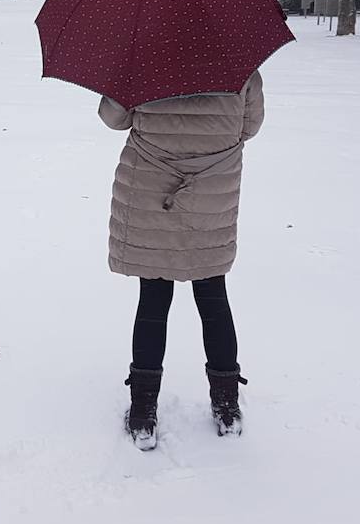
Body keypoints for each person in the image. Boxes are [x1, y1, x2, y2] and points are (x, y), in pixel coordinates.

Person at [99, 71, 266, 449]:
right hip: (210, 197)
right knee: (213, 299)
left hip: (152, 195)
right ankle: (226, 406)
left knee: (153, 301)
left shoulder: (143, 57)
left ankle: (143, 412)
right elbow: (250, 126)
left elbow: (113, 118)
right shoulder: (240, 65)